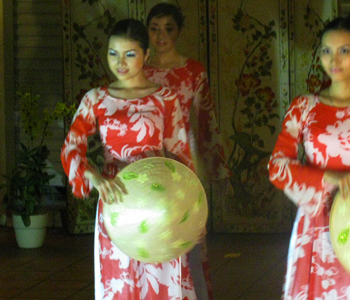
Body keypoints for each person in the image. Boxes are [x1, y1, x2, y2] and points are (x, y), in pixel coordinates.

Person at [61, 18, 199, 300]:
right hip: (117, 201)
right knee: (120, 281)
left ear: (147, 55)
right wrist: (94, 176)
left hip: (159, 201)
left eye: (129, 54)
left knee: (163, 280)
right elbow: (71, 147)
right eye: (113, 53)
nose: (119, 62)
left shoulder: (165, 98)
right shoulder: (96, 98)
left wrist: (189, 211)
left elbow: (181, 155)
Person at [268, 17, 350, 299]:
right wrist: (330, 177)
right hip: (315, 223)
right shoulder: (304, 107)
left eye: (344, 50)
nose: (333, 59)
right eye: (326, 50)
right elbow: (277, 168)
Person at [143, 3, 230, 300]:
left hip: (185, 159)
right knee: (152, 230)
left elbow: (205, 120)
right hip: (149, 158)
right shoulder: (139, 70)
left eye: (168, 28)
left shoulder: (193, 71)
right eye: (154, 28)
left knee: (190, 234)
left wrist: (216, 166)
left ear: (179, 31)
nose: (161, 35)